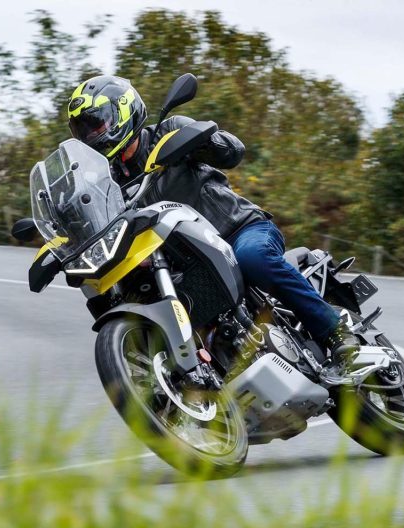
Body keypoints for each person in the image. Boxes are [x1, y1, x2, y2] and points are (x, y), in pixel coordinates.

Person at [67, 75, 358, 363]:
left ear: (123, 110)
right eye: (84, 130)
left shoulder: (169, 131)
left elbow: (234, 152)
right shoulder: (107, 185)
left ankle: (335, 331)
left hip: (237, 230)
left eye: (97, 123)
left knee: (252, 257)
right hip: (185, 261)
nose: (92, 134)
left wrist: (205, 142)